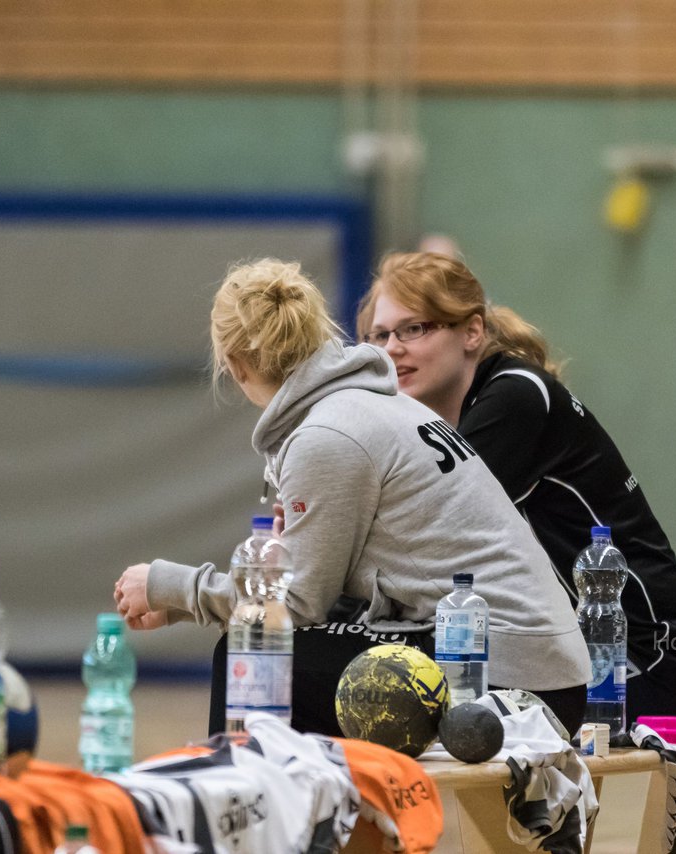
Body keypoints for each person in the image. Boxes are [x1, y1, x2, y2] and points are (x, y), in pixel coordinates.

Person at [112, 258, 591, 736]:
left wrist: (171, 585)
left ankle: (248, 802)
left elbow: (296, 605)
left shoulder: (329, 434)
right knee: (293, 651)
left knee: (252, 650)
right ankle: (322, 808)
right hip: (538, 668)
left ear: (234, 365)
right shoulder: (371, 405)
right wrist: (180, 605)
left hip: (502, 677)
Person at [355, 251, 676, 722]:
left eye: (414, 328)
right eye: (379, 335)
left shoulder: (515, 395)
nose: (392, 348)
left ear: (472, 332)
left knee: (368, 681)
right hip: (557, 654)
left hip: (638, 665)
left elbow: (419, 535)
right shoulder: (437, 417)